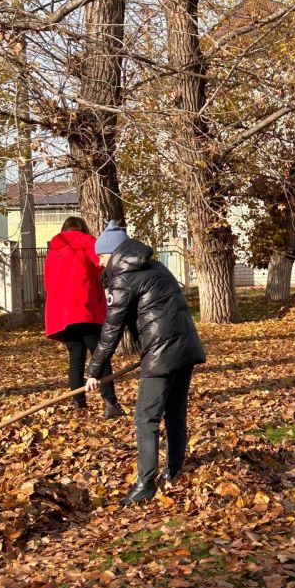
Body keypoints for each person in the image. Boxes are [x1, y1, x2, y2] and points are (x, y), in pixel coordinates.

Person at [85, 220, 206, 505]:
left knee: (145, 418)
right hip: (185, 344)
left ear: (113, 253)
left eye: (101, 257)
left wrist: (94, 372)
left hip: (162, 353)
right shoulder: (154, 266)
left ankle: (145, 484)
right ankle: (173, 470)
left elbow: (111, 329)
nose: (100, 264)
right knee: (175, 413)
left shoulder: (124, 277)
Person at [43, 216, 124, 418]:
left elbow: (48, 282)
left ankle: (79, 404)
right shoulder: (87, 242)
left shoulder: (53, 251)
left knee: (75, 359)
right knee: (101, 355)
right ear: (82, 228)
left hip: (62, 314)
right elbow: (102, 263)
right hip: (85, 309)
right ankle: (110, 402)